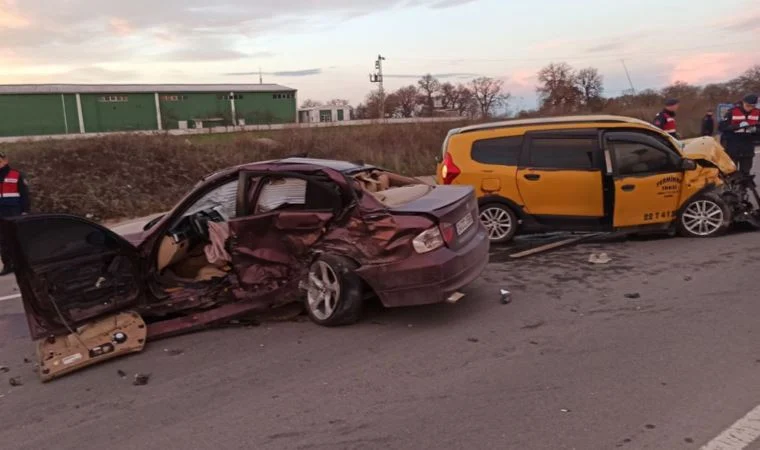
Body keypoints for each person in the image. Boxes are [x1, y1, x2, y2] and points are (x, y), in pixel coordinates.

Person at [0, 151, 31, 275]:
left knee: (18, 239)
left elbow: (25, 195)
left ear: (5, 160)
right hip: (0, 212)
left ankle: (23, 264)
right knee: (2, 240)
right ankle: (8, 265)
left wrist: (25, 211)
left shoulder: (17, 175)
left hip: (14, 212)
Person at [719, 94, 759, 176]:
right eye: (747, 106)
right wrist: (736, 127)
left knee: (745, 172)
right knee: (731, 171)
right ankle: (732, 187)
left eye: (752, 106)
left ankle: (743, 187)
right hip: (733, 147)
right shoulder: (732, 112)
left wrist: (755, 130)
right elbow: (721, 126)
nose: (749, 108)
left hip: (748, 148)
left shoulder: (758, 113)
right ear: (743, 103)